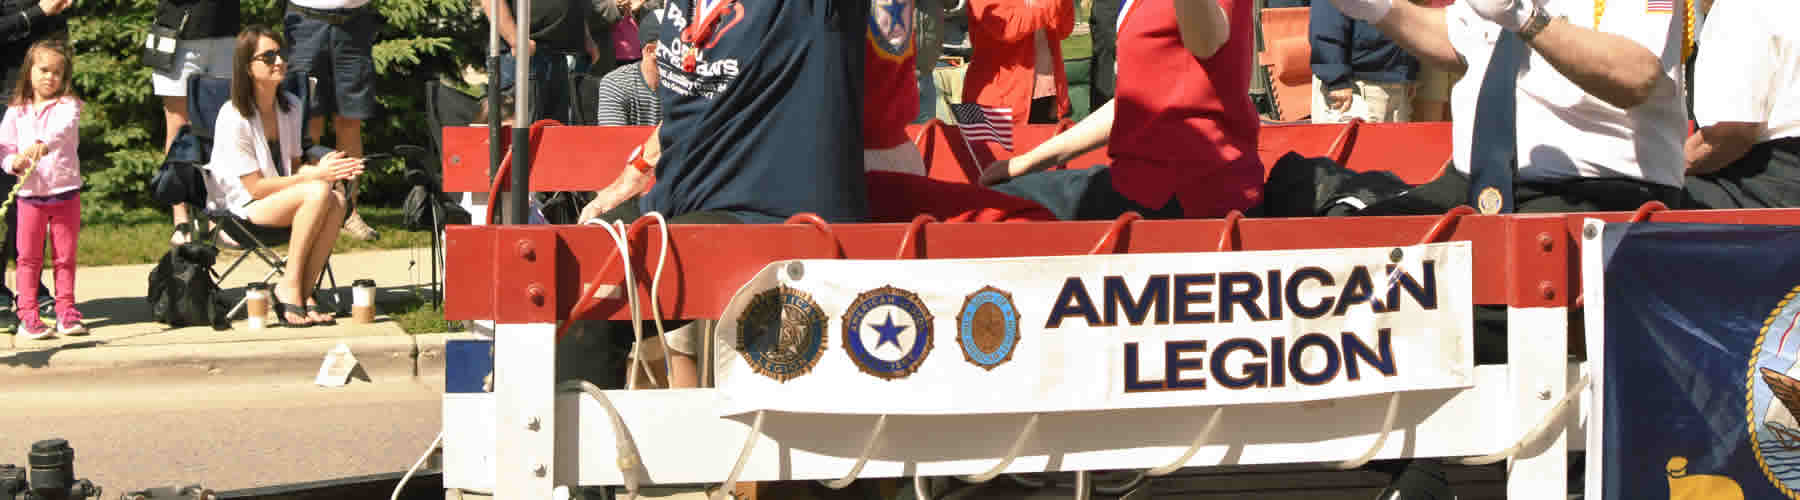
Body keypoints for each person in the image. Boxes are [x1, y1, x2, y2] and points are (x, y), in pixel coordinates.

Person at [571, 0, 870, 389]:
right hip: (685, 205)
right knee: (570, 268)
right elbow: (705, 103)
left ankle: (571, 445)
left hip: (769, 219)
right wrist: (636, 171)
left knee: (591, 311)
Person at [1323, 0, 1693, 216]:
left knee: (1419, 305)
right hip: (1477, 183)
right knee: (1347, 258)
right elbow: (1460, 37)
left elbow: (1635, 75)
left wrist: (1526, 18)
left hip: (1591, 195)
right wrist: (1378, 8)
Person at [979, 0, 1266, 222]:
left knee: (997, 205)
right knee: (999, 194)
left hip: (1183, 197)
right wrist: (1026, 163)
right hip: (1144, 188)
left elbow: (1207, 40)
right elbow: (1134, 102)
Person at [205, 26, 366, 327]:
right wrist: (315, 175)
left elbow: (292, 171)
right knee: (319, 191)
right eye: (268, 56)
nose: (279, 61)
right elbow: (254, 187)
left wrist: (326, 169)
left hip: (280, 201)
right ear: (248, 67)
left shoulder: (291, 106)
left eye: (280, 54)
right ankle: (288, 285)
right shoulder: (234, 117)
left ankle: (305, 293)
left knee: (336, 197)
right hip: (240, 210)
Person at [1680, 0, 1799, 209]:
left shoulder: (1738, 7)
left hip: (1774, 180)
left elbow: (1733, 133)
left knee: (1647, 199)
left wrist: (1668, 167)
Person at [0, 40, 81, 340]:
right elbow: (5, 148)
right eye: (43, 70)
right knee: (28, 258)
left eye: (57, 72)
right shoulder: (16, 111)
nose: (50, 77)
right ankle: (28, 315)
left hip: (66, 193)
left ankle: (66, 312)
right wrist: (13, 163)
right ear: (29, 72)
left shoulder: (68, 106)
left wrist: (41, 145)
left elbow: (62, 131)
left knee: (65, 257)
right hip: (29, 199)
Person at [284, 0, 381, 241]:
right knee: (307, 121)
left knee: (350, 121)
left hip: (354, 25)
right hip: (305, 22)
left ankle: (349, 212)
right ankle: (305, 207)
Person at [155, 0, 241, 248]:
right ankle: (181, 219)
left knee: (222, 126)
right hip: (178, 33)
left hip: (225, 32)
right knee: (178, 127)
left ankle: (216, 215)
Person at [479, 0, 602, 124]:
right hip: (524, 52)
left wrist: (586, 37)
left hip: (558, 54)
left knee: (554, 135)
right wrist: (514, 38)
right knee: (519, 133)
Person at [963, 0, 1074, 129]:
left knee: (1046, 148)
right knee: (987, 149)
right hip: (994, 102)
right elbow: (1009, 27)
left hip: (1045, 94)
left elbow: (1063, 30)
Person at [1309, 0, 1420, 123]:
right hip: (1354, 86)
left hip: (1395, 79)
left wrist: (1411, 70)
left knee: (1394, 142)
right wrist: (1337, 80)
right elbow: (1326, 22)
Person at [594, 11, 660, 127]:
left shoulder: (690, 84)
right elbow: (614, 141)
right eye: (675, 45)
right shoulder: (616, 84)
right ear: (651, 50)